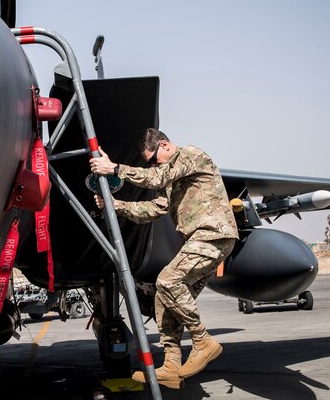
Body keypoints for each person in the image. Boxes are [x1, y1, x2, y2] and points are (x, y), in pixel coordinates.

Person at [90, 128, 238, 389]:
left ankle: (203, 341)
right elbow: (155, 208)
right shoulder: (173, 178)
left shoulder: (189, 155)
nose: (153, 164)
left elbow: (157, 178)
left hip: (213, 234)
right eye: (149, 163)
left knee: (167, 281)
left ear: (165, 145)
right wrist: (117, 205)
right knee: (164, 299)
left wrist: (114, 168)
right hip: (199, 240)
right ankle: (171, 366)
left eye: (153, 159)